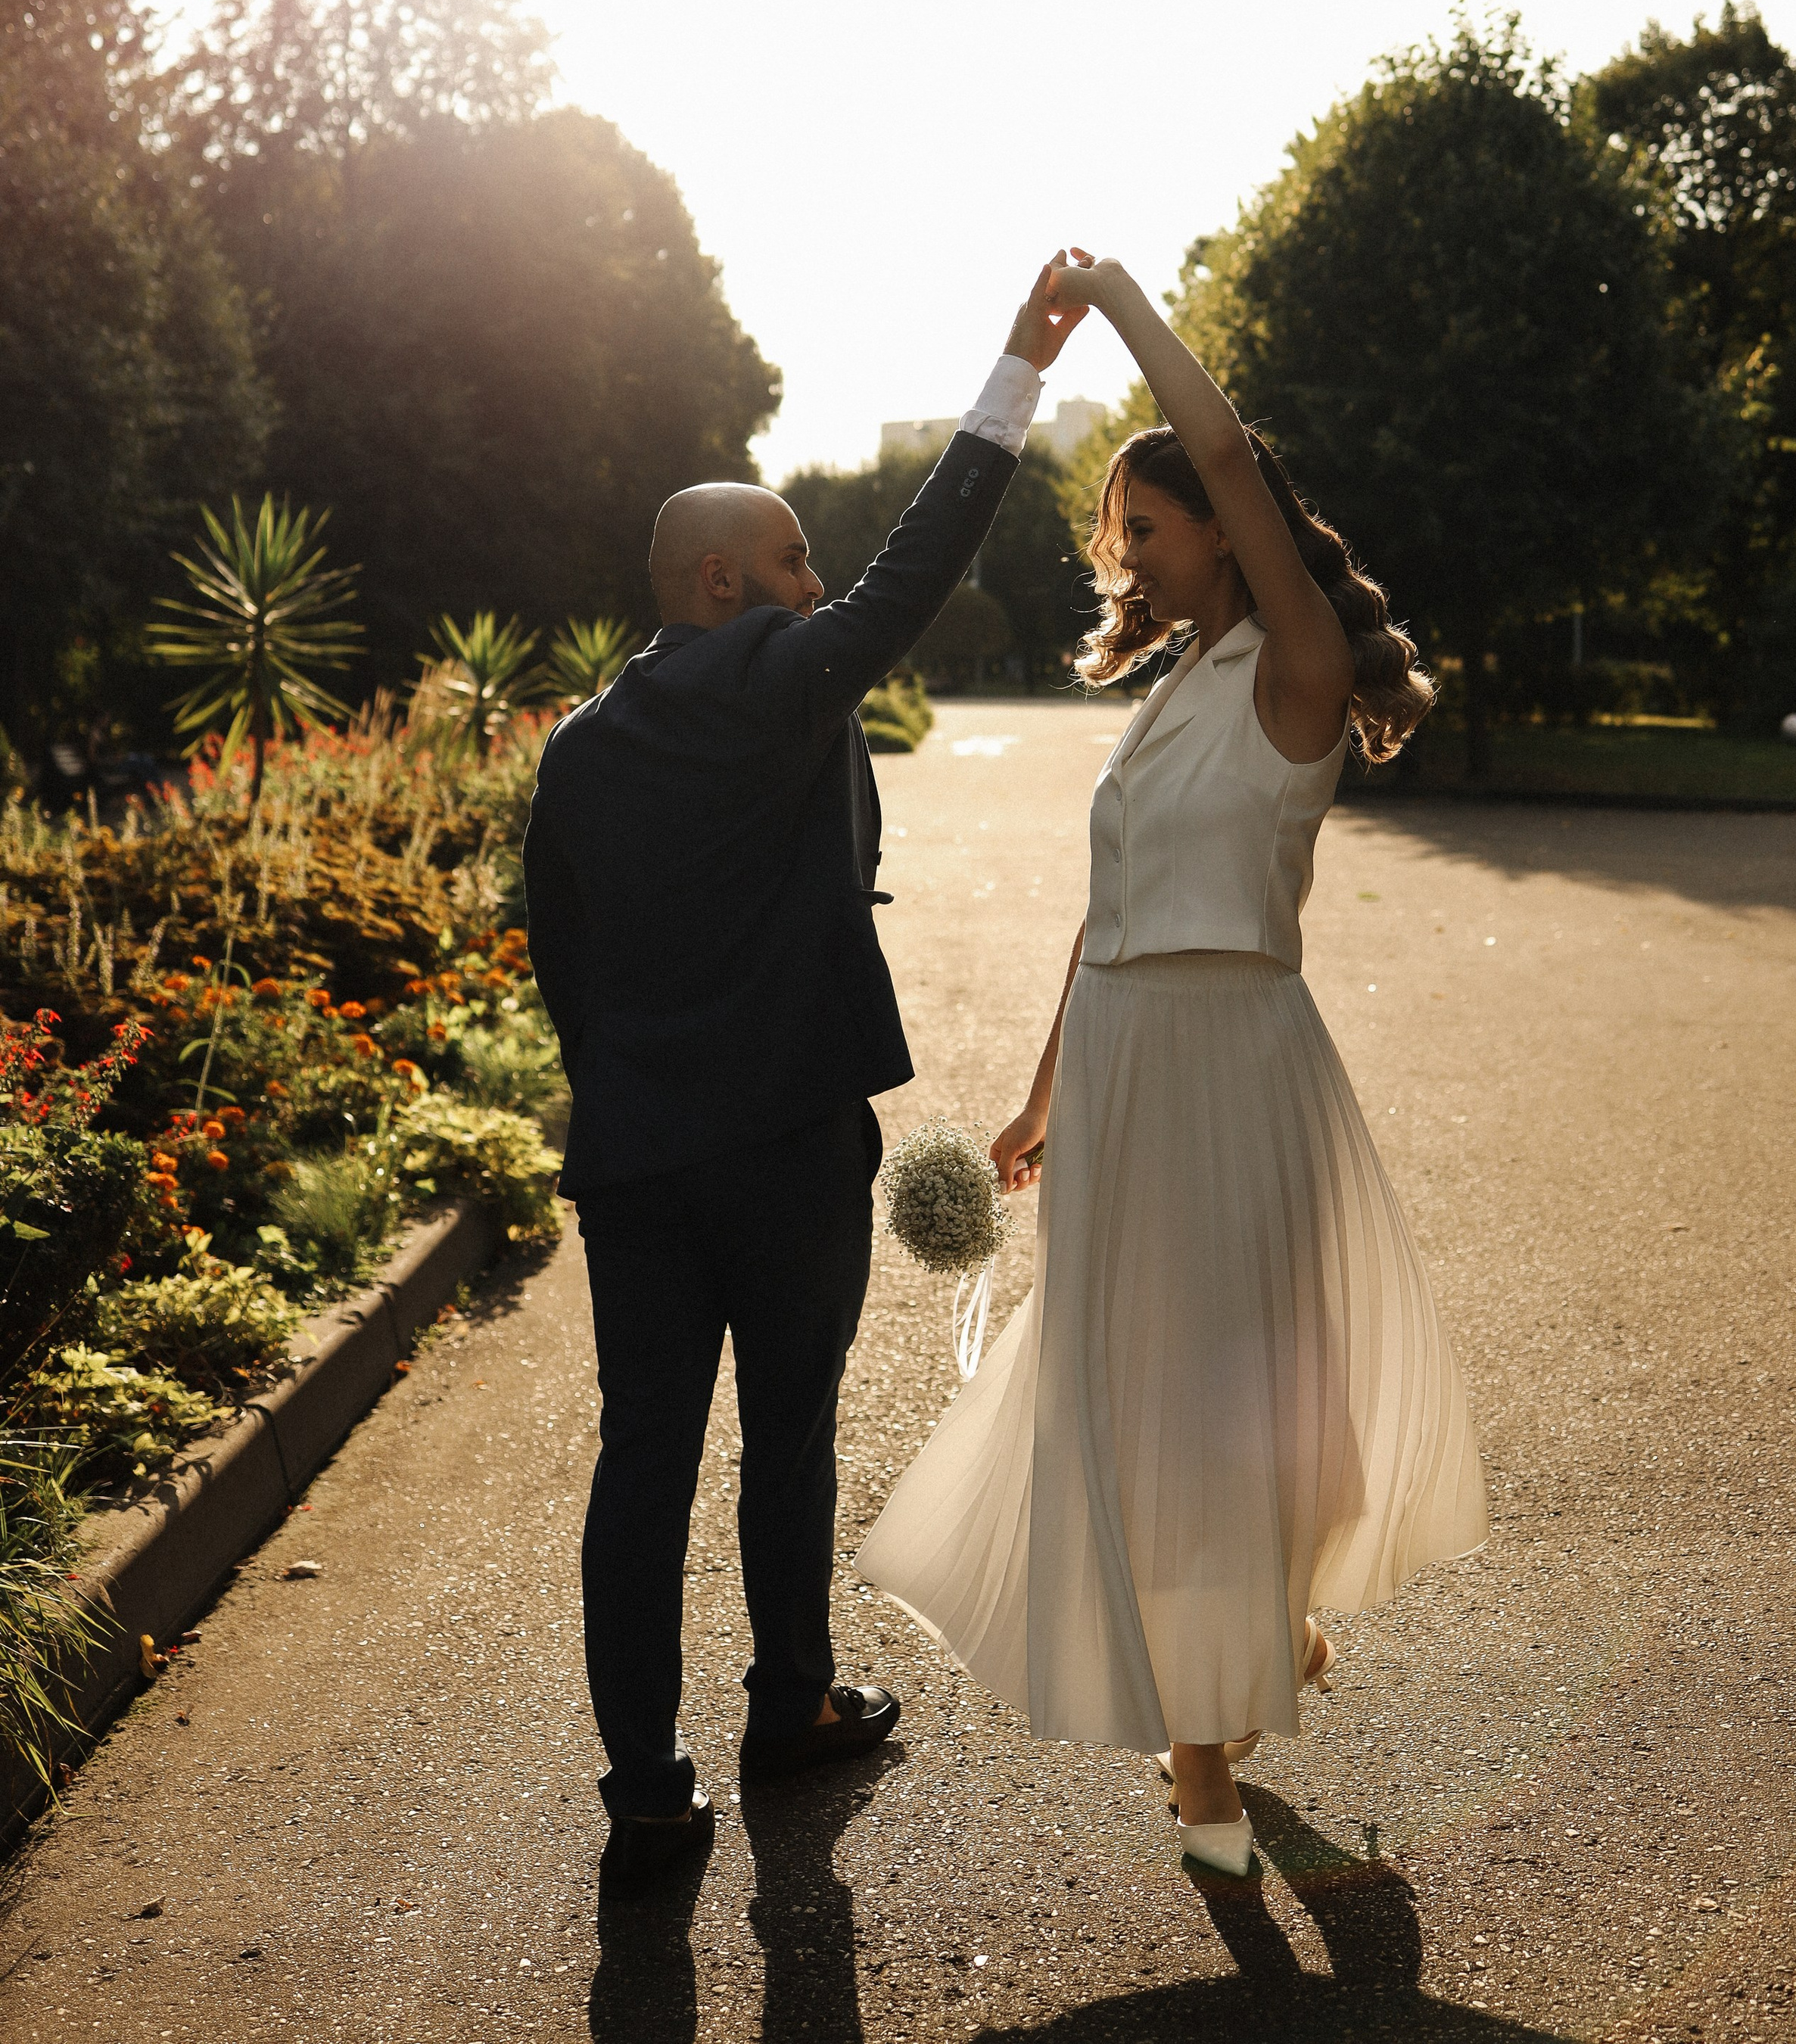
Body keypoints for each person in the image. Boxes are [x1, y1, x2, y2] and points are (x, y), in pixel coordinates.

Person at [856, 251, 1488, 1880]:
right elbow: (1106, 912)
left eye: (1147, 523)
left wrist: (1126, 310)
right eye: (1118, 530)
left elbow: (1223, 446)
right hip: (1127, 1070)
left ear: (1225, 529)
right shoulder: (1175, 687)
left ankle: (1200, 1750)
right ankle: (1238, 1661)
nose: (1127, 551)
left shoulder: (1296, 668)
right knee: (1136, 1388)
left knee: (1216, 1391)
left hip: (1235, 1063)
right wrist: (1042, 1097)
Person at [524, 258, 1089, 1898]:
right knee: (788, 1435)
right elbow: (912, 574)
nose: (818, 585)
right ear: (720, 581)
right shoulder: (770, 678)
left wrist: (636, 1087)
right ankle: (791, 1705)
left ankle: (646, 1789)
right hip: (782, 1146)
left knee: (642, 1460)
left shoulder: (580, 745)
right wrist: (1015, 372)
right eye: (790, 561)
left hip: (638, 1158)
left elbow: (561, 958)